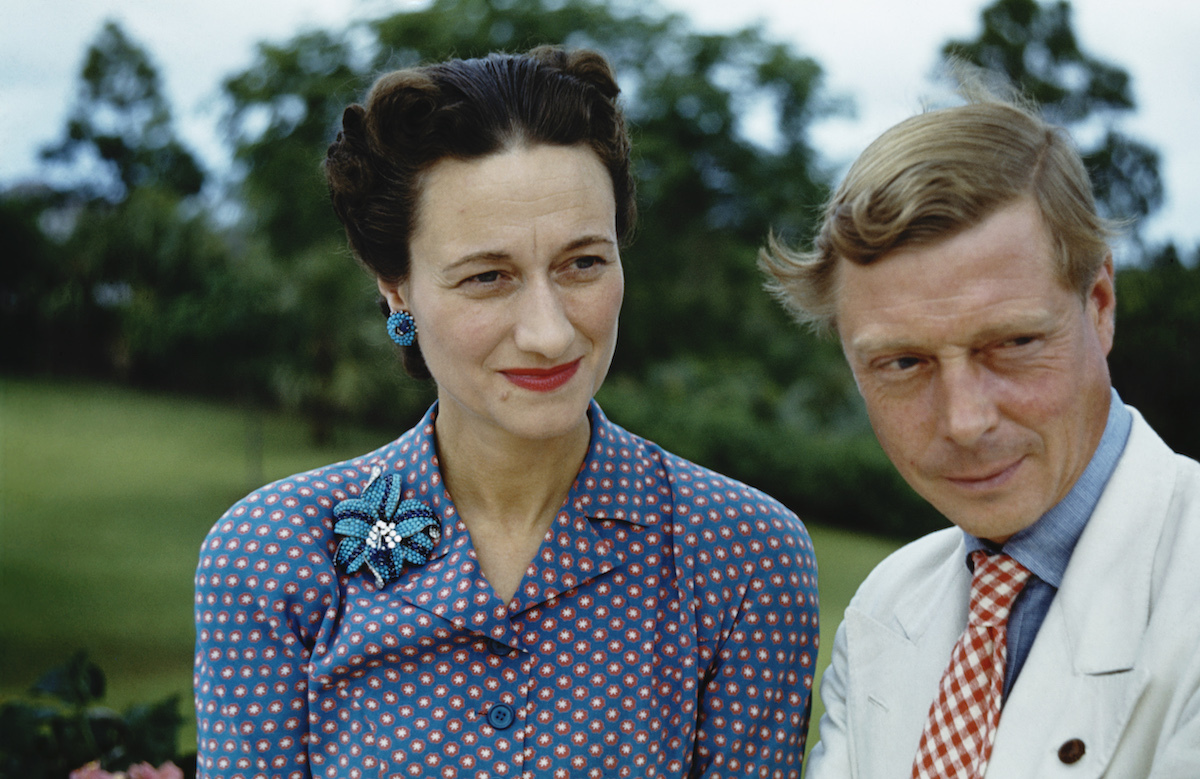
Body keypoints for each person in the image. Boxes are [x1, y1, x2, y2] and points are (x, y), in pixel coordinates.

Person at [194, 46, 818, 779]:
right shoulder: (270, 556)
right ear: (396, 287)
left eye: (582, 262)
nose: (550, 331)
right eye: (488, 277)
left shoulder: (742, 556)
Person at [761, 92, 1200, 778]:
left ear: (1101, 305)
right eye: (903, 362)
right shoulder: (887, 601)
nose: (965, 421)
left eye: (1014, 342)